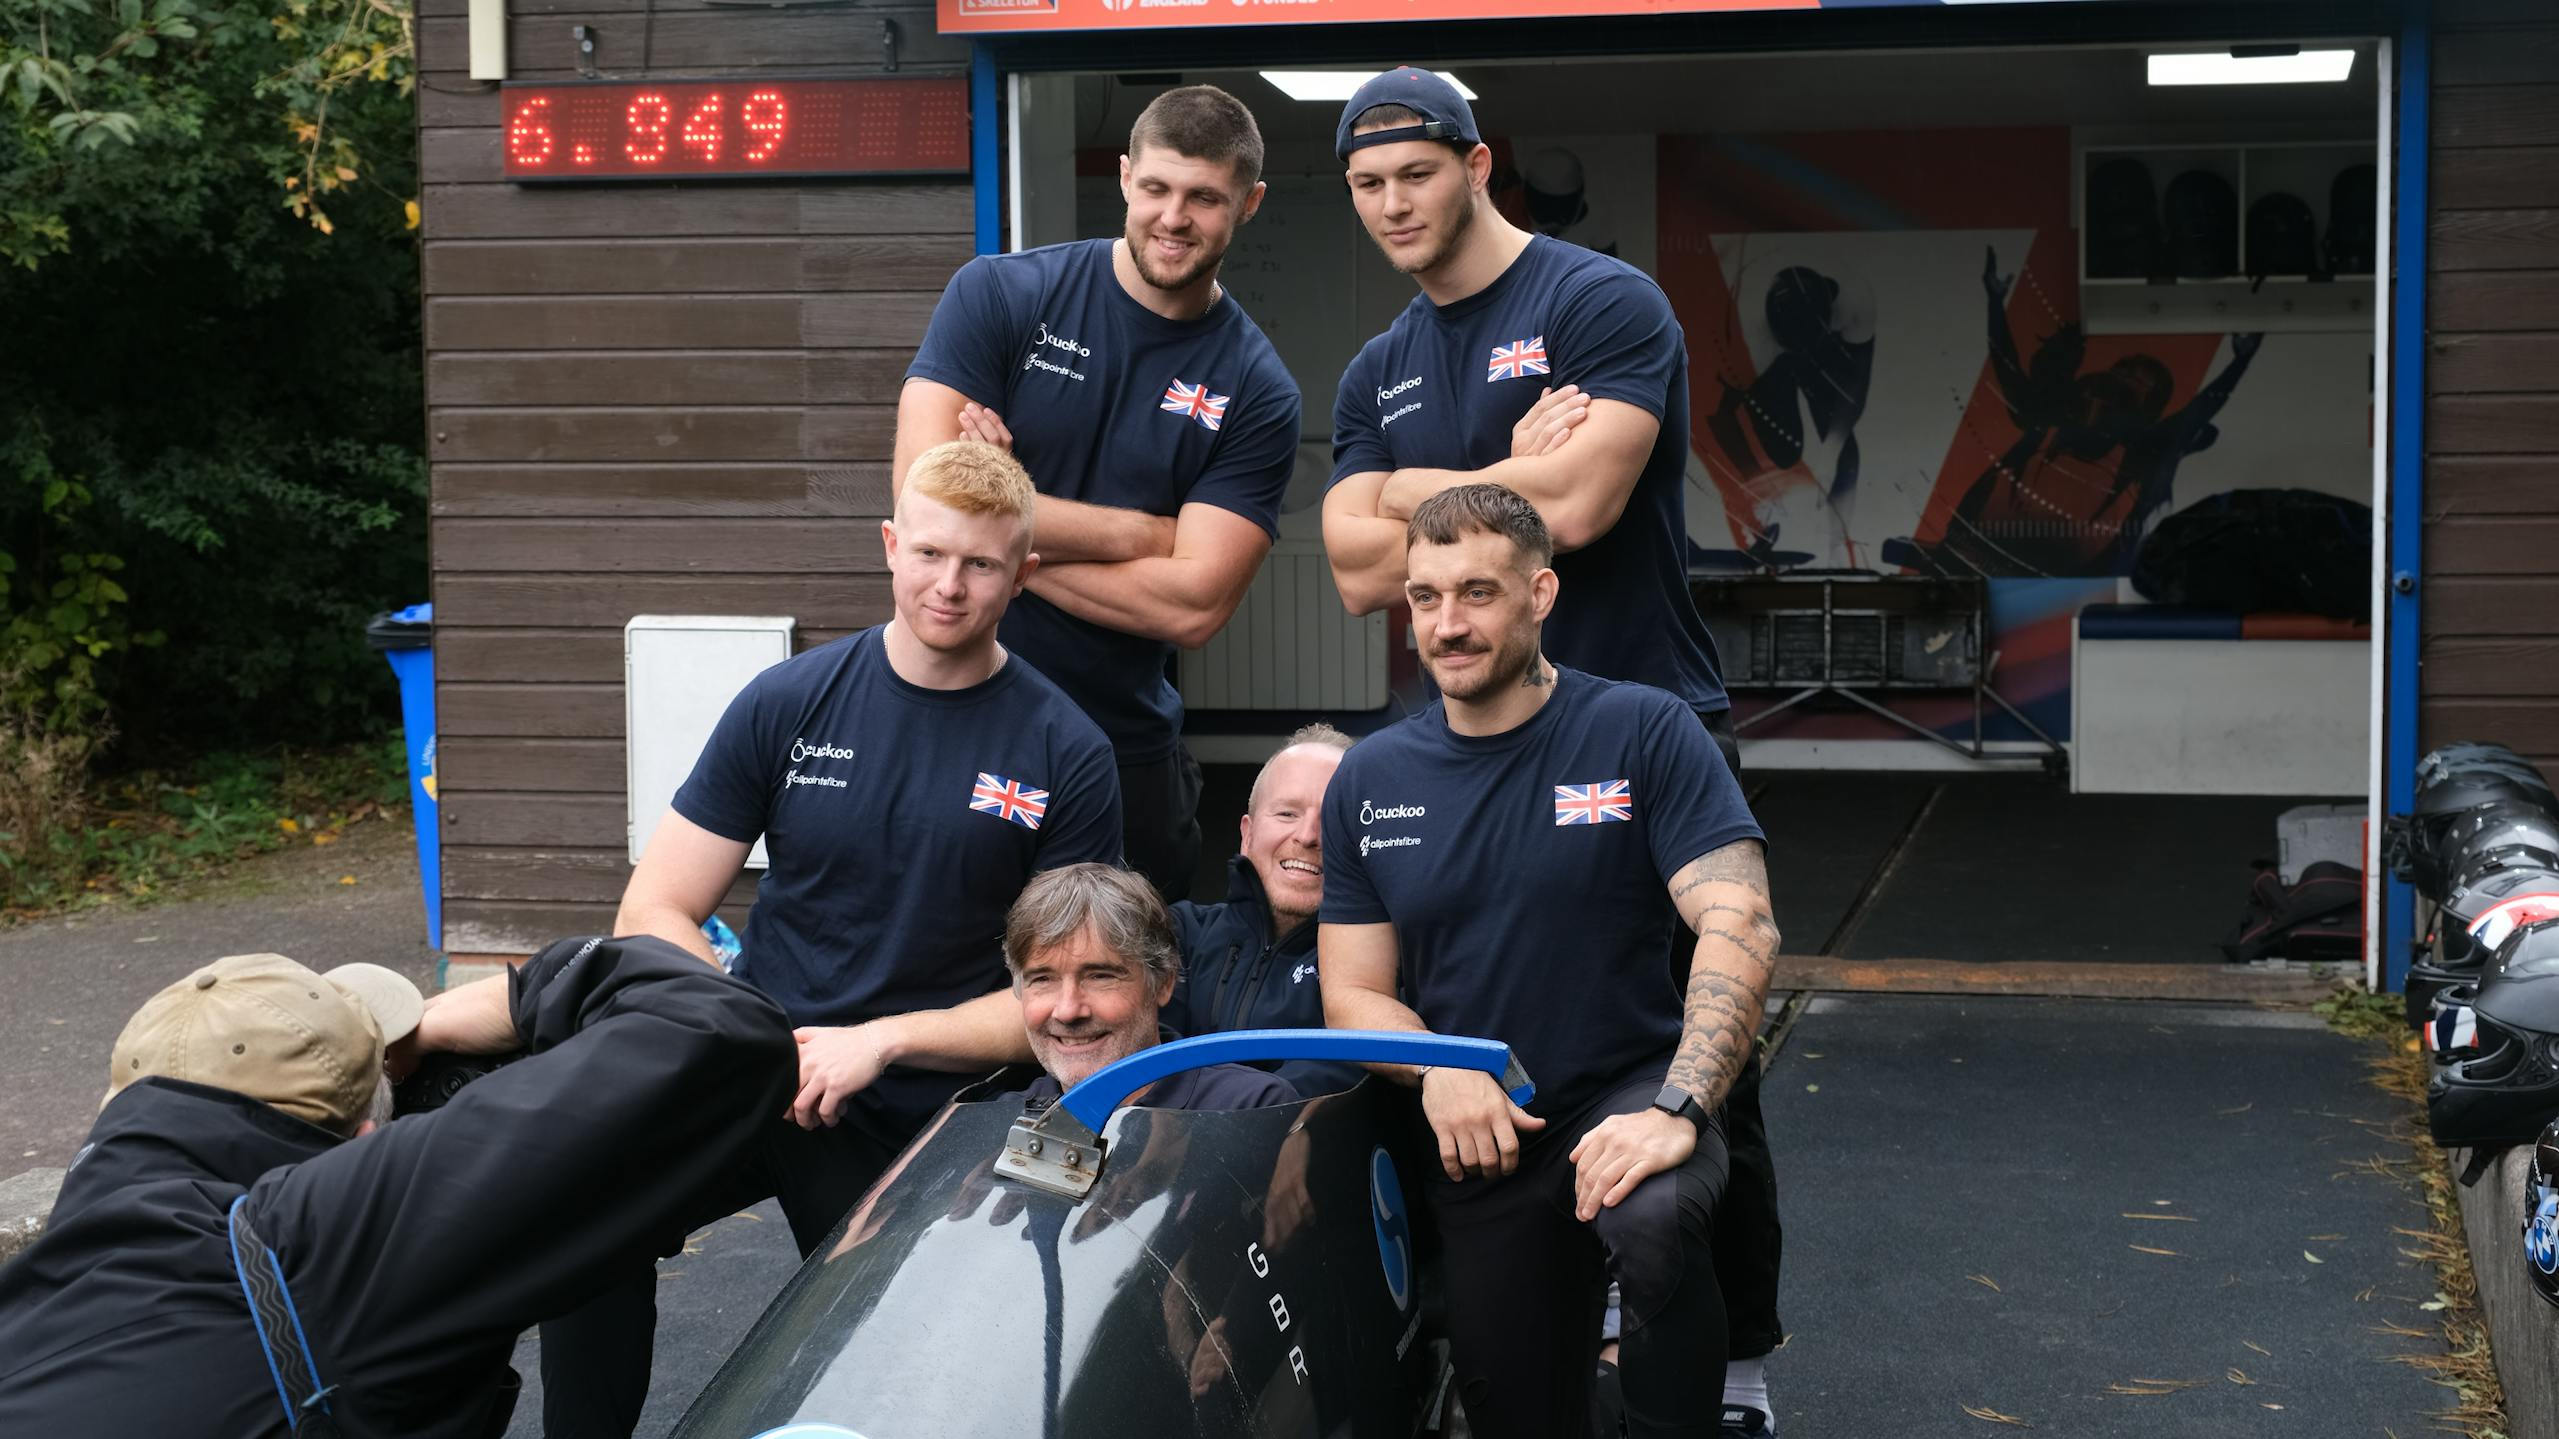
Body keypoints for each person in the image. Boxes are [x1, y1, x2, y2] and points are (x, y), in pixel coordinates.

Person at [1319, 68, 1786, 1436]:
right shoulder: (1376, 365)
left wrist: (1403, 490)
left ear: (1476, 162)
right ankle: (1520, 1289)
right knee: (1489, 989)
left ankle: (1735, 1360)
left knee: (1702, 1051)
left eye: (1413, 172)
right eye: (1364, 185)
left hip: (1637, 712)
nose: (1392, 203)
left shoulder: (1594, 302)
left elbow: (1573, 505)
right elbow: (1354, 572)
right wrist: (1482, 474)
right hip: (1471, 733)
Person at [563, 439, 1121, 1436]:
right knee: (584, 1213)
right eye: (931, 553)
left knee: (906, 1352)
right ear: (890, 545)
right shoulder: (790, 702)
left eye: (982, 563)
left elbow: (1062, 998)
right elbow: (653, 909)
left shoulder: (1063, 747)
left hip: (927, 1106)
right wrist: (758, 1031)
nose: (949, 585)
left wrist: (885, 1039)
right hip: (763, 1068)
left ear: (1023, 573)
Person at [1319, 485, 1778, 1439]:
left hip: (1628, 1085)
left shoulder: (1643, 730)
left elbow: (1741, 923)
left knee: (1651, 1216)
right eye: (1425, 597)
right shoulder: (1370, 778)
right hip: (1485, 1130)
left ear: (1540, 594)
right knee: (1521, 1412)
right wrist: (1442, 1063)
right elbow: (1352, 992)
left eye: (1477, 593)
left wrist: (1676, 1108)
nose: (1447, 625)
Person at [0, 940, 793, 1437]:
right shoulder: (306, 1246)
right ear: (364, 1140)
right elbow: (720, 1029)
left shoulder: (82, 1242)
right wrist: (522, 993)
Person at [895, 83, 1301, 902]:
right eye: (1155, 187)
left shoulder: (1256, 388)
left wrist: (1001, 540)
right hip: (951, 710)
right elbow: (924, 500)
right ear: (1123, 176)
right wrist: (1138, 534)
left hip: (1122, 746)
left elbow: (1192, 604)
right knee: (944, 965)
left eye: (1204, 197)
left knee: (1123, 997)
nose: (1173, 217)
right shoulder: (1002, 296)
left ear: (1248, 203)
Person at [1163, 722, 1362, 1096]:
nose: (1307, 836)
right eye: (1287, 814)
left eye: (1335, 820)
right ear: (1248, 834)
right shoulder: (1179, 933)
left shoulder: (1376, 970)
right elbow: (1140, 1059)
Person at [1005, 861, 1300, 1111]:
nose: (1068, 1010)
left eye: (1100, 976)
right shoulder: (993, 1126)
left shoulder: (1251, 1108)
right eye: (1042, 979)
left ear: (1164, 982)